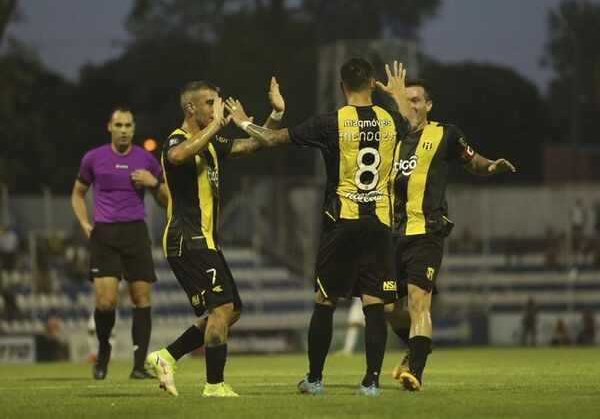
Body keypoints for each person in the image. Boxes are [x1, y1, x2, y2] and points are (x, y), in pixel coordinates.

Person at [225, 58, 414, 396]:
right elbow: (411, 122)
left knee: (326, 300)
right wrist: (397, 94)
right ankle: (370, 383)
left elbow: (270, 140)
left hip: (341, 222)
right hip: (380, 224)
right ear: (372, 84)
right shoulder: (392, 120)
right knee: (373, 303)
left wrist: (243, 123)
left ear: (341, 87)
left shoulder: (330, 123)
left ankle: (314, 379)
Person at [144, 78, 285, 398]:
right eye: (210, 103)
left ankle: (165, 357)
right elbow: (178, 156)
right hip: (186, 240)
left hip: (206, 240)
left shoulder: (210, 142)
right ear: (190, 107)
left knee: (231, 309)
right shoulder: (175, 141)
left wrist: (273, 116)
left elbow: (252, 145)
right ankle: (214, 386)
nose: (216, 108)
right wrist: (218, 125)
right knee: (222, 308)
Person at [385, 78, 516, 391]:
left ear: (429, 105)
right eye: (406, 100)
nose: (411, 105)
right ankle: (420, 345)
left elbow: (472, 161)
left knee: (419, 303)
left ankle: (415, 370)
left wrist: (490, 167)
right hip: (390, 234)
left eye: (416, 100)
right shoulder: (391, 136)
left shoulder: (446, 134)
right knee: (388, 310)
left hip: (427, 232)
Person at [71, 106, 168, 380]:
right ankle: (103, 353)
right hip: (105, 234)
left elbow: (165, 199)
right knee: (106, 302)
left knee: (141, 299)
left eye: (128, 125)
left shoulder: (146, 159)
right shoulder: (93, 158)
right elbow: (77, 195)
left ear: (133, 129)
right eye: (119, 125)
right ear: (110, 128)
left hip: (136, 232)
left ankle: (138, 366)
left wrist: (154, 183)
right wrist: (84, 224)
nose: (124, 130)